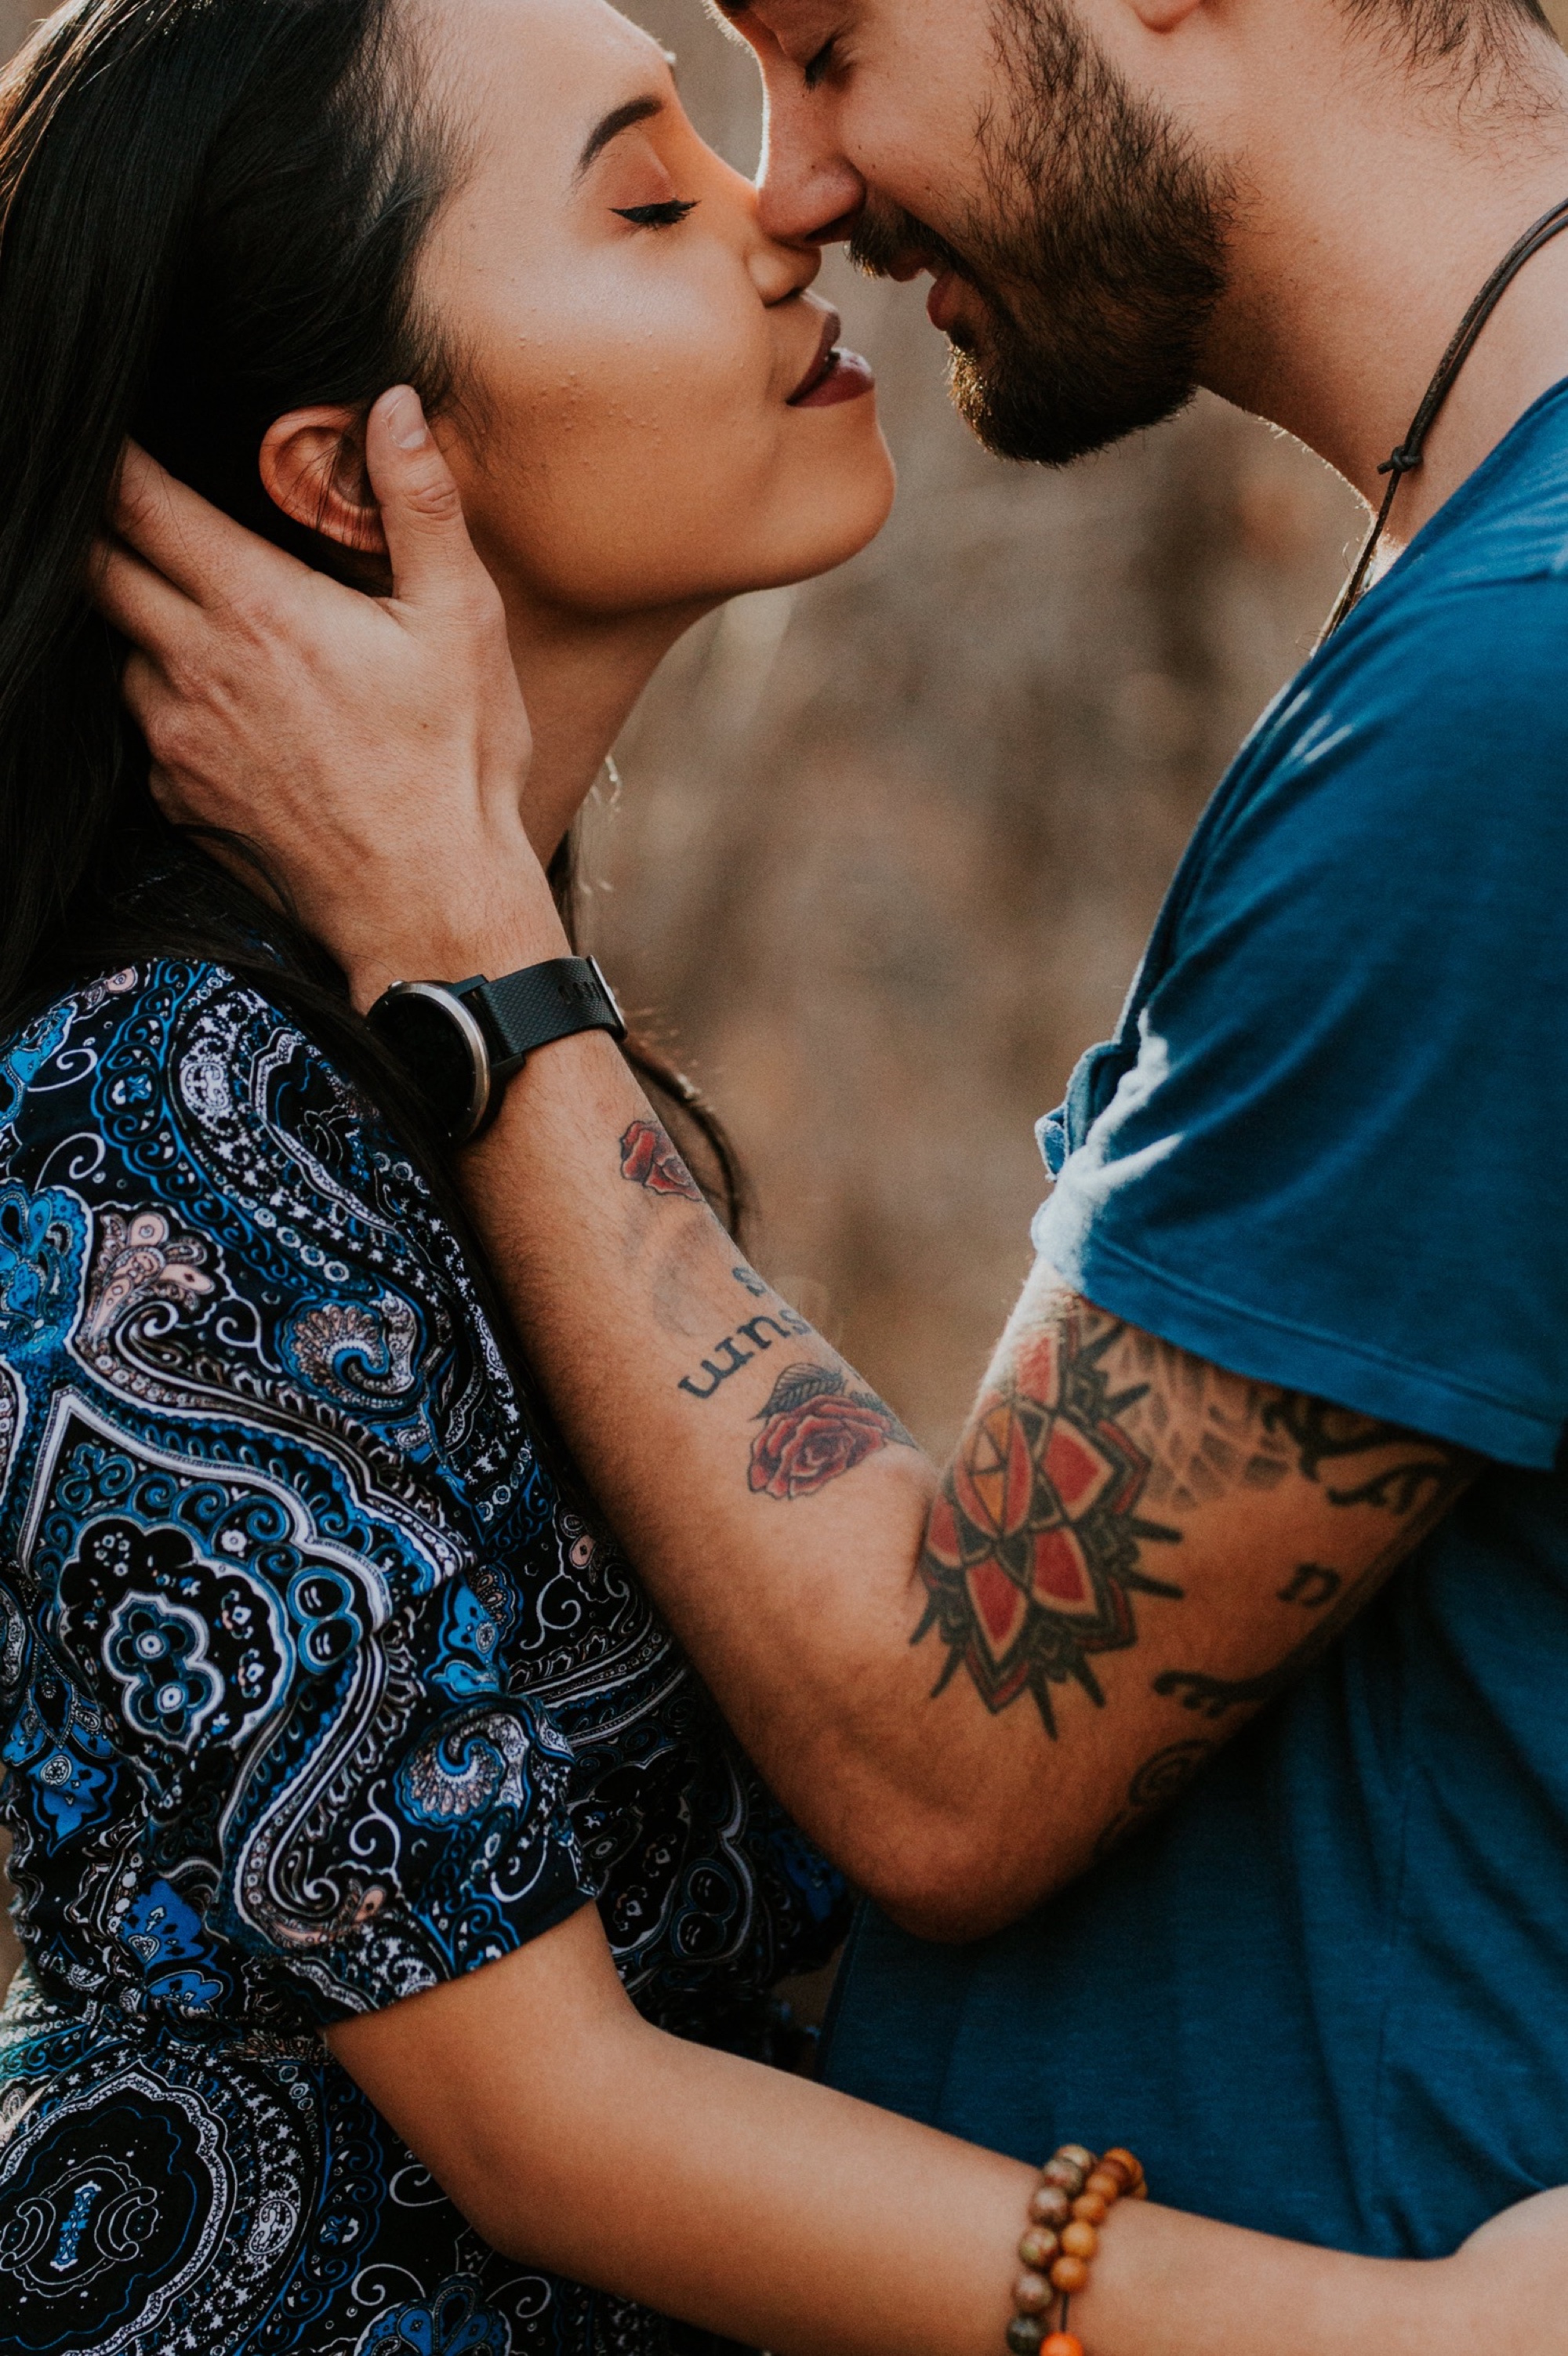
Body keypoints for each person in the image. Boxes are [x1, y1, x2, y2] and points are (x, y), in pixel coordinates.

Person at [38, 0, 1568, 2346]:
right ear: (357, 475)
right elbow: (541, 2099)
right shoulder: (172, 1110)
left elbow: (925, 1757)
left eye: (831, 46)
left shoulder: (1491, 704)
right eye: (648, 197)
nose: (792, 202)